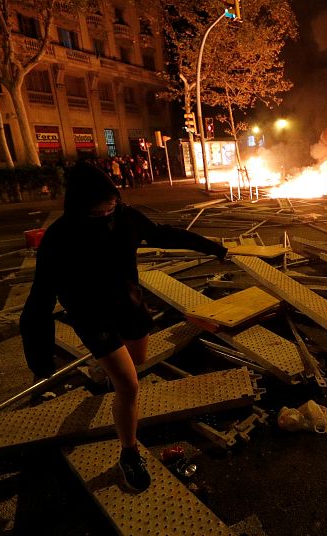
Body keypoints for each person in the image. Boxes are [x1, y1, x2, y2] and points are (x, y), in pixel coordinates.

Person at [19, 162, 227, 492]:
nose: (107, 211)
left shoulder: (125, 216)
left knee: (138, 360)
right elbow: (39, 299)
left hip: (128, 305)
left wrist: (212, 246)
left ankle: (109, 374)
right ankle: (129, 454)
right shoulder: (60, 237)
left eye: (111, 204)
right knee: (129, 386)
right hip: (91, 315)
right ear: (80, 205)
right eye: (98, 210)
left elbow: (163, 234)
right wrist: (40, 360)